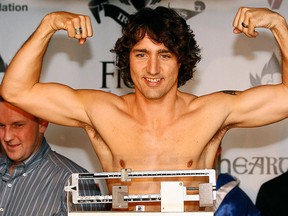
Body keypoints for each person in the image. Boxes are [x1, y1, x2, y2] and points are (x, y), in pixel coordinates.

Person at [1, 6, 288, 212]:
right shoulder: (101, 110)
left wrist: (278, 24)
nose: (152, 68)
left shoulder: (211, 112)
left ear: (181, 61)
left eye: (164, 55)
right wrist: (48, 25)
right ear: (128, 59)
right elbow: (16, 90)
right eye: (141, 54)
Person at [0, 97, 104, 215]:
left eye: (18, 125)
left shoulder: (73, 182)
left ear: (42, 124)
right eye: (1, 125)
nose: (7, 137)